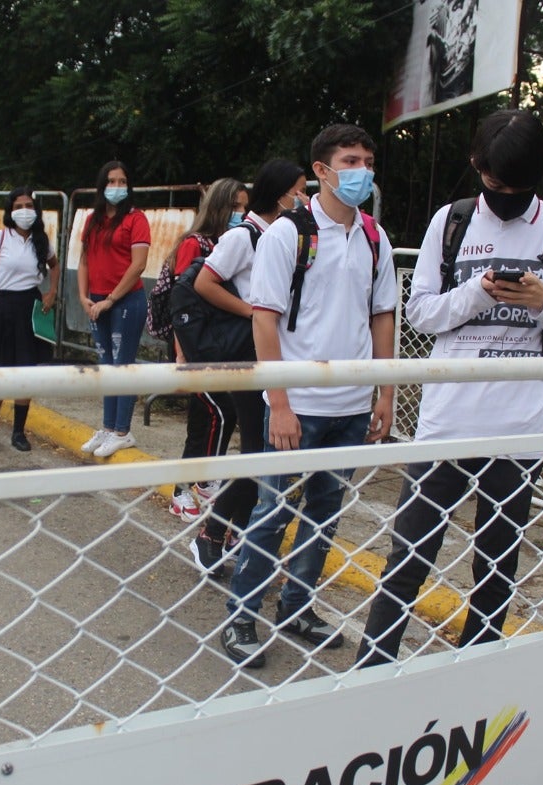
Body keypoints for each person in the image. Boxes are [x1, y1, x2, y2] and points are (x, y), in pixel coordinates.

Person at [356, 109, 543, 667]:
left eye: (519, 186)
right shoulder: (453, 221)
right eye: (495, 184)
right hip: (449, 422)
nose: (506, 195)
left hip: (521, 429)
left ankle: (476, 666)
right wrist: (480, 294)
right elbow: (419, 312)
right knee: (411, 550)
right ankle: (375, 662)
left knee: (497, 560)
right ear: (476, 167)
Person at [219, 125, 398, 669]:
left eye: (367, 160)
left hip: (350, 408)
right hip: (298, 408)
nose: (361, 170)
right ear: (320, 170)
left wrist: (384, 394)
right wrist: (279, 403)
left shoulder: (374, 236)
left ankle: (297, 606)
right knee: (273, 513)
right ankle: (241, 614)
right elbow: (264, 321)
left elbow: (382, 315)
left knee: (324, 516)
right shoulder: (286, 235)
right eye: (350, 160)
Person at [188, 159, 309, 575]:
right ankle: (212, 532)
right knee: (260, 453)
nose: (305, 198)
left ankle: (240, 532)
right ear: (281, 195)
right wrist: (254, 312)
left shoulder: (288, 235)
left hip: (274, 355)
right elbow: (204, 282)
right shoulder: (245, 235)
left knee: (267, 454)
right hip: (247, 355)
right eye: (299, 190)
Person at [162, 178, 248, 520]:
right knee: (221, 412)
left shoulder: (227, 242)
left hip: (213, 347)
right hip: (192, 349)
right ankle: (202, 481)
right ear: (218, 207)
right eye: (235, 207)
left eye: (244, 207)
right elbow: (181, 301)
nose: (240, 214)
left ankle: (183, 491)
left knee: (202, 423)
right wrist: (182, 354)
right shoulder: (194, 245)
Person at [0, 187, 61, 452]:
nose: (24, 211)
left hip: (30, 306)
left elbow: (54, 265)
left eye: (29, 206)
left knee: (26, 372)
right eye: (18, 206)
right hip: (3, 306)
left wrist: (52, 293)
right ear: (10, 210)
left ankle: (18, 433)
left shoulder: (41, 240)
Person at [76, 161, 151, 458]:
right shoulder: (93, 220)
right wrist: (83, 297)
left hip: (125, 302)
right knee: (106, 367)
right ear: (101, 185)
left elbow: (139, 264)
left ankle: (122, 431)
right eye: (111, 181)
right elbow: (84, 260)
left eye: (123, 182)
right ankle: (107, 428)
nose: (117, 187)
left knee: (123, 366)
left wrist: (110, 299)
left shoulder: (136, 219)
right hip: (97, 302)